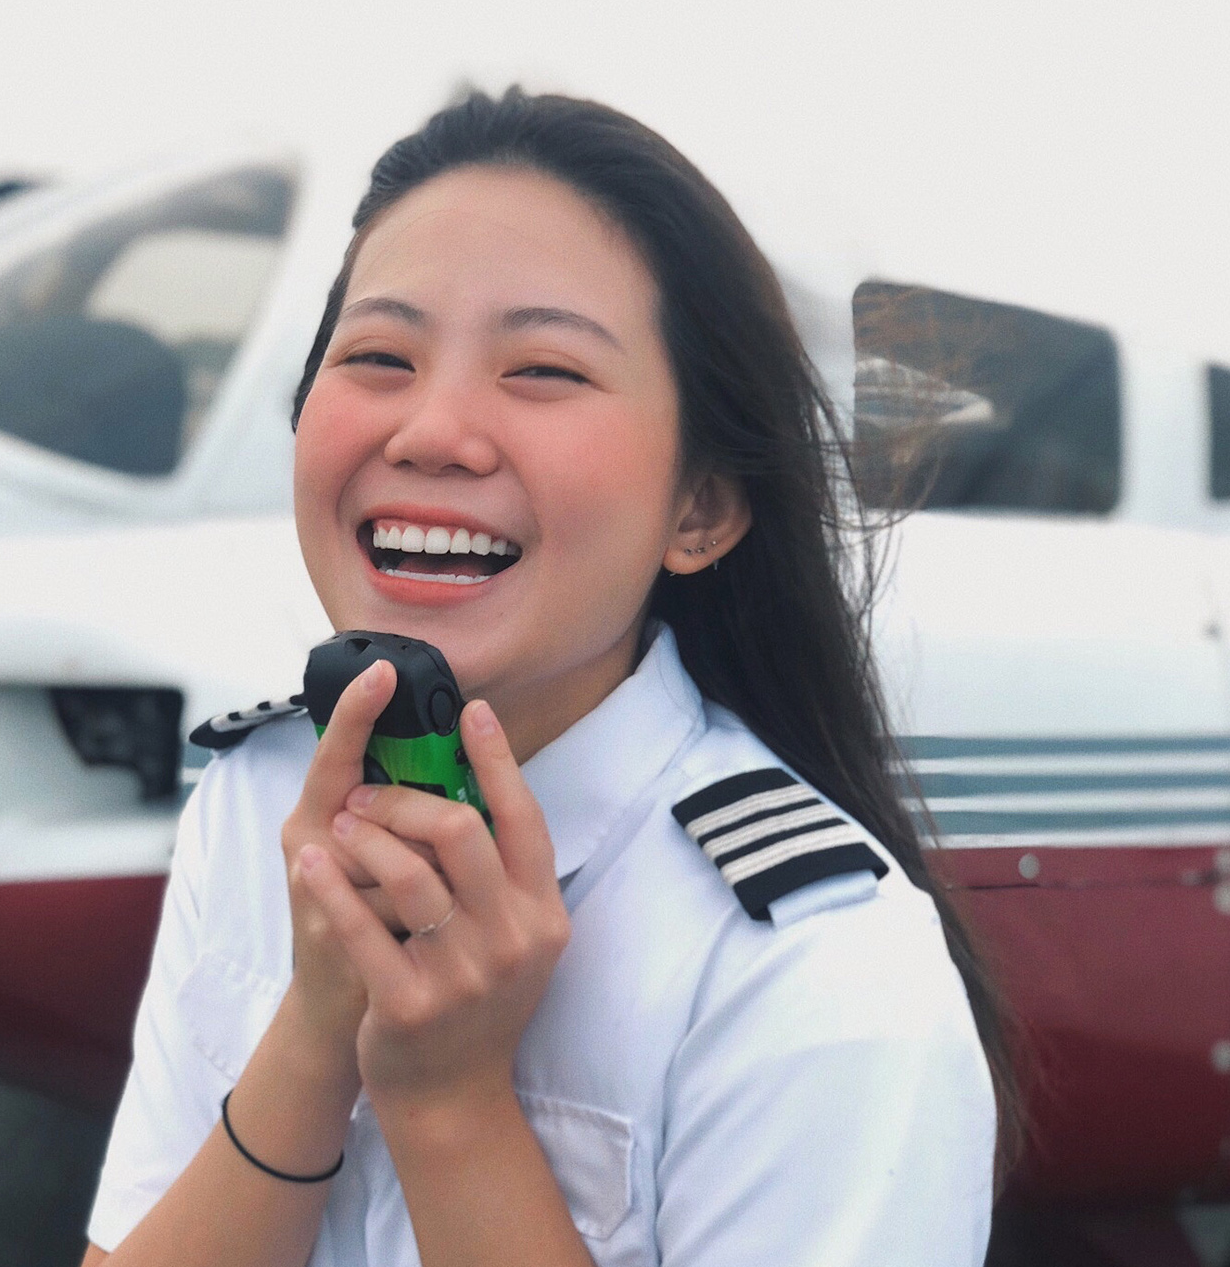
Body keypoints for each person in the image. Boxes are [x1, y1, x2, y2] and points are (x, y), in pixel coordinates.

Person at [81, 87, 1003, 1267]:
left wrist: (450, 1101)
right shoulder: (257, 801)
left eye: (544, 370)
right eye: (378, 355)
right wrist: (314, 1031)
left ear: (701, 506)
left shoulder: (818, 972)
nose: (431, 431)